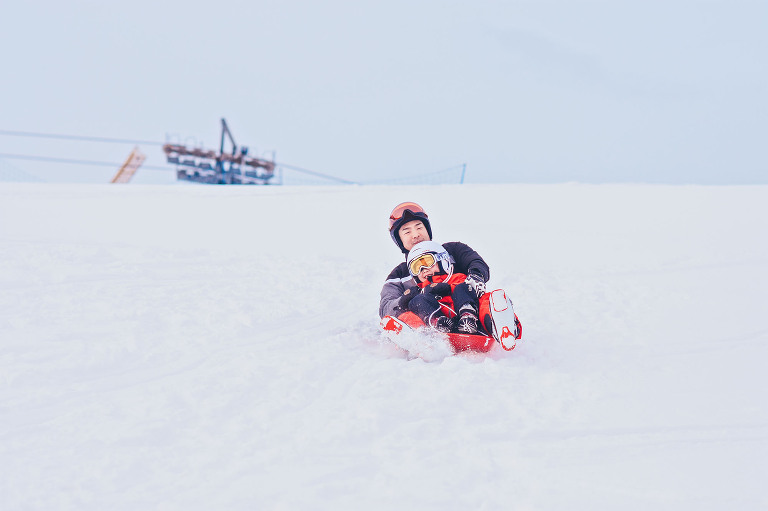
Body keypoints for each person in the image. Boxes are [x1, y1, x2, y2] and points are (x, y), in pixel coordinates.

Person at [379, 202, 491, 334]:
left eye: (419, 227)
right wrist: (404, 300)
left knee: (488, 300)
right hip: (432, 322)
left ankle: (497, 326)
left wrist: (476, 276)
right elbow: (386, 306)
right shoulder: (398, 275)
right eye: (407, 232)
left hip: (467, 315)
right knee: (408, 314)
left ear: (427, 229)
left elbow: (476, 262)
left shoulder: (453, 250)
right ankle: (419, 339)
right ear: (399, 239)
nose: (415, 235)